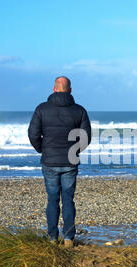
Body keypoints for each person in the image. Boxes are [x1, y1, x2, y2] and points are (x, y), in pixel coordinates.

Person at [28, 76, 91, 247]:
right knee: (68, 200)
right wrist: (74, 151)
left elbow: (33, 134)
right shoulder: (79, 110)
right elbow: (85, 138)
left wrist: (43, 149)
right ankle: (69, 238)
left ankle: (52, 237)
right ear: (70, 90)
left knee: (52, 199)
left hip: (50, 162)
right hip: (70, 162)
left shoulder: (41, 109)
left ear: (54, 89)